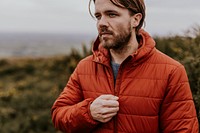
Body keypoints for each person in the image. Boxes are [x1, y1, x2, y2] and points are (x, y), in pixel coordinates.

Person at [51, 0, 199, 132]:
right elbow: (59, 115)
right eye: (98, 16)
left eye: (112, 14)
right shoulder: (85, 67)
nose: (102, 23)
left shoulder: (171, 71)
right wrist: (88, 113)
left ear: (135, 19)